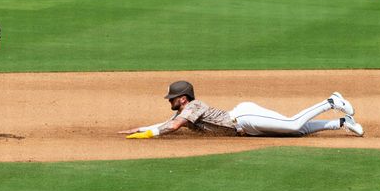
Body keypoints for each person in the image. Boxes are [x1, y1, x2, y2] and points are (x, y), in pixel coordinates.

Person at [119, 80, 364, 139]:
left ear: (182, 99)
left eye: (172, 98)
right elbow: (166, 122)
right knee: (297, 133)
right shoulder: (182, 111)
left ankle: (331, 102)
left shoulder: (193, 107)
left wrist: (147, 135)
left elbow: (171, 127)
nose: (168, 101)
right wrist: (137, 130)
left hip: (244, 118)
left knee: (292, 124)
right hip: (246, 129)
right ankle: (343, 123)